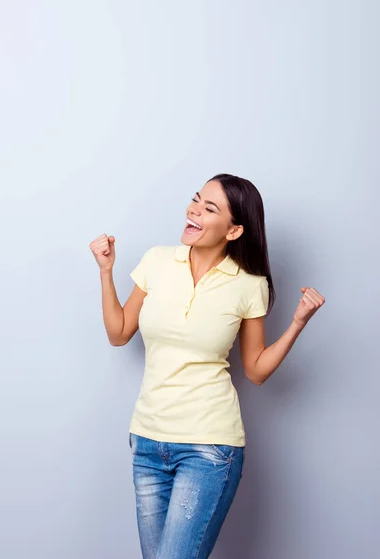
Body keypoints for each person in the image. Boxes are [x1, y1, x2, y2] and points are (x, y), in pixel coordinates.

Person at [89, 173, 325, 559]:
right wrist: (105, 271)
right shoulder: (157, 261)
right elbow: (118, 333)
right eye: (196, 200)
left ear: (233, 231)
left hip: (209, 447)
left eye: (209, 208)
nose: (194, 210)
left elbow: (256, 370)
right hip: (147, 441)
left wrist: (297, 323)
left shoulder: (250, 284)